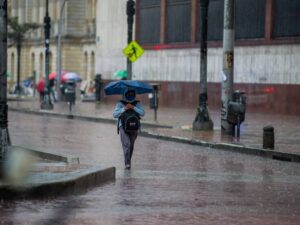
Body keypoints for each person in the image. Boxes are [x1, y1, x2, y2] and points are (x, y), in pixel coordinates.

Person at [113, 89, 145, 169]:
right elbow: (114, 114)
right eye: (128, 94)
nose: (130, 95)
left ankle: (128, 160)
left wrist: (133, 107)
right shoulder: (120, 103)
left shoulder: (137, 103)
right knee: (126, 144)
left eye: (132, 94)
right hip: (122, 126)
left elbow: (142, 113)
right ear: (125, 94)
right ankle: (127, 163)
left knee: (131, 145)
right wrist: (124, 108)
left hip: (134, 127)